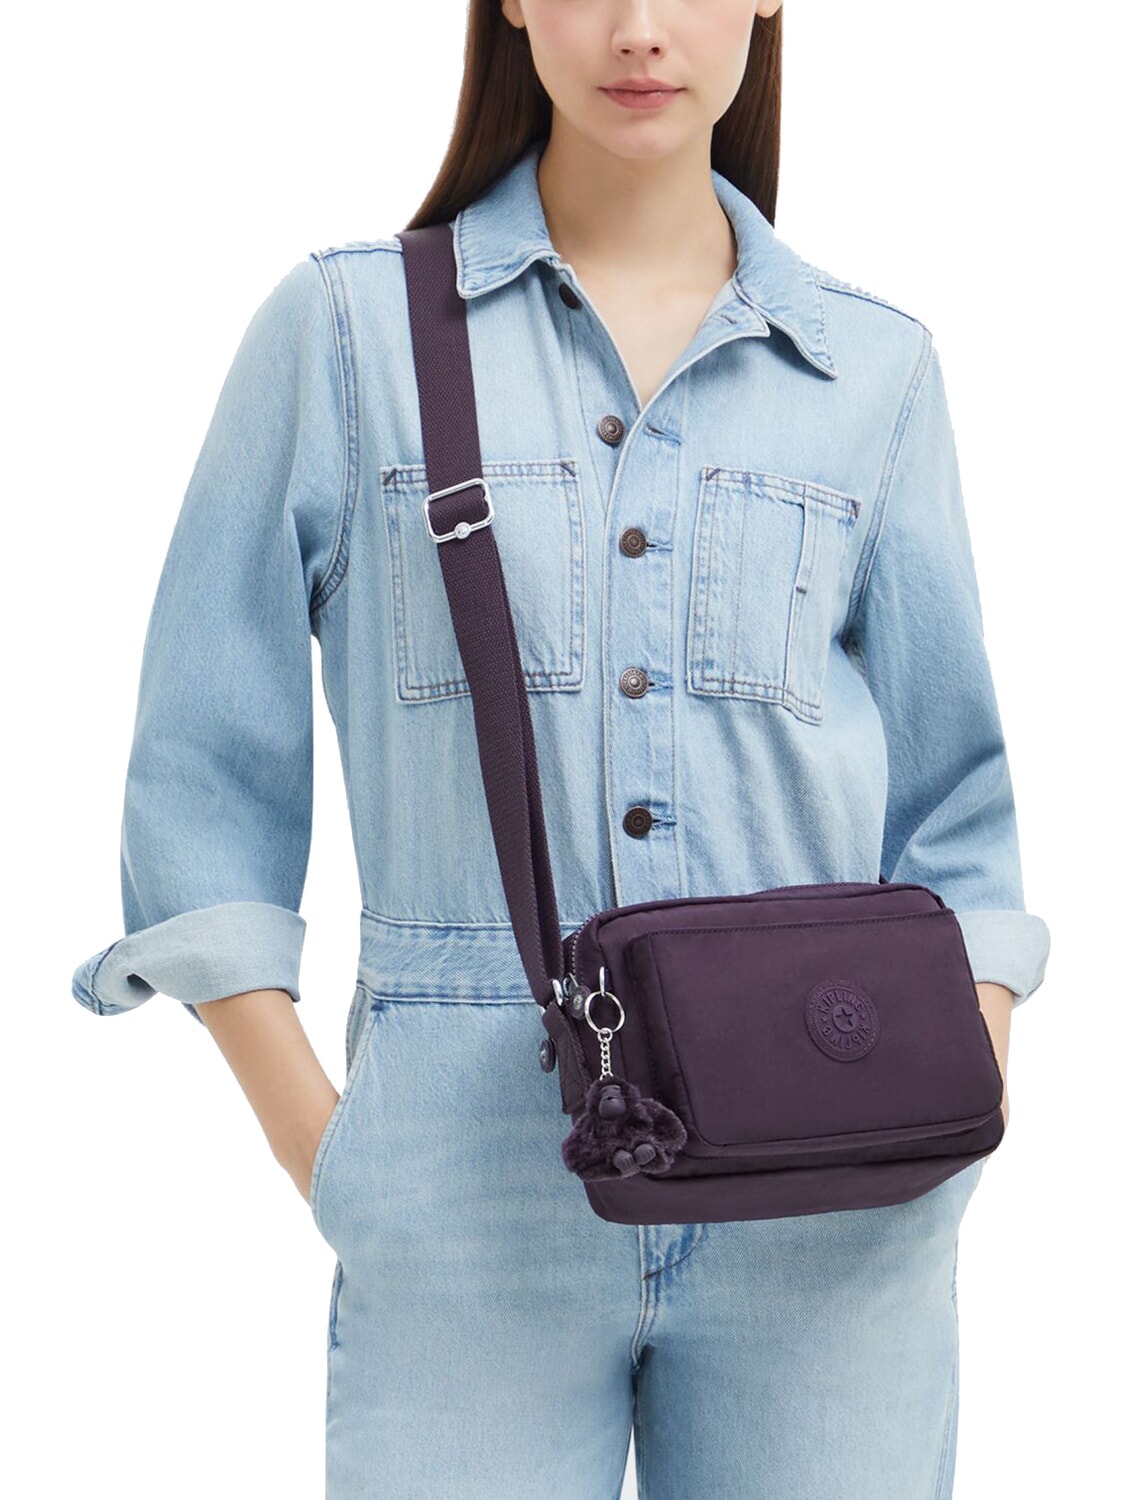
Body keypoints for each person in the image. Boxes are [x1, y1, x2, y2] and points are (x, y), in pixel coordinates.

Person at [71, 1, 1051, 1496]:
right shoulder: (349, 333)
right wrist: (329, 1152)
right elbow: (204, 758)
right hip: (461, 1185)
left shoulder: (874, 368)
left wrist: (953, 1106)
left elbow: (955, 804)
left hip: (831, 1205)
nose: (639, 30)